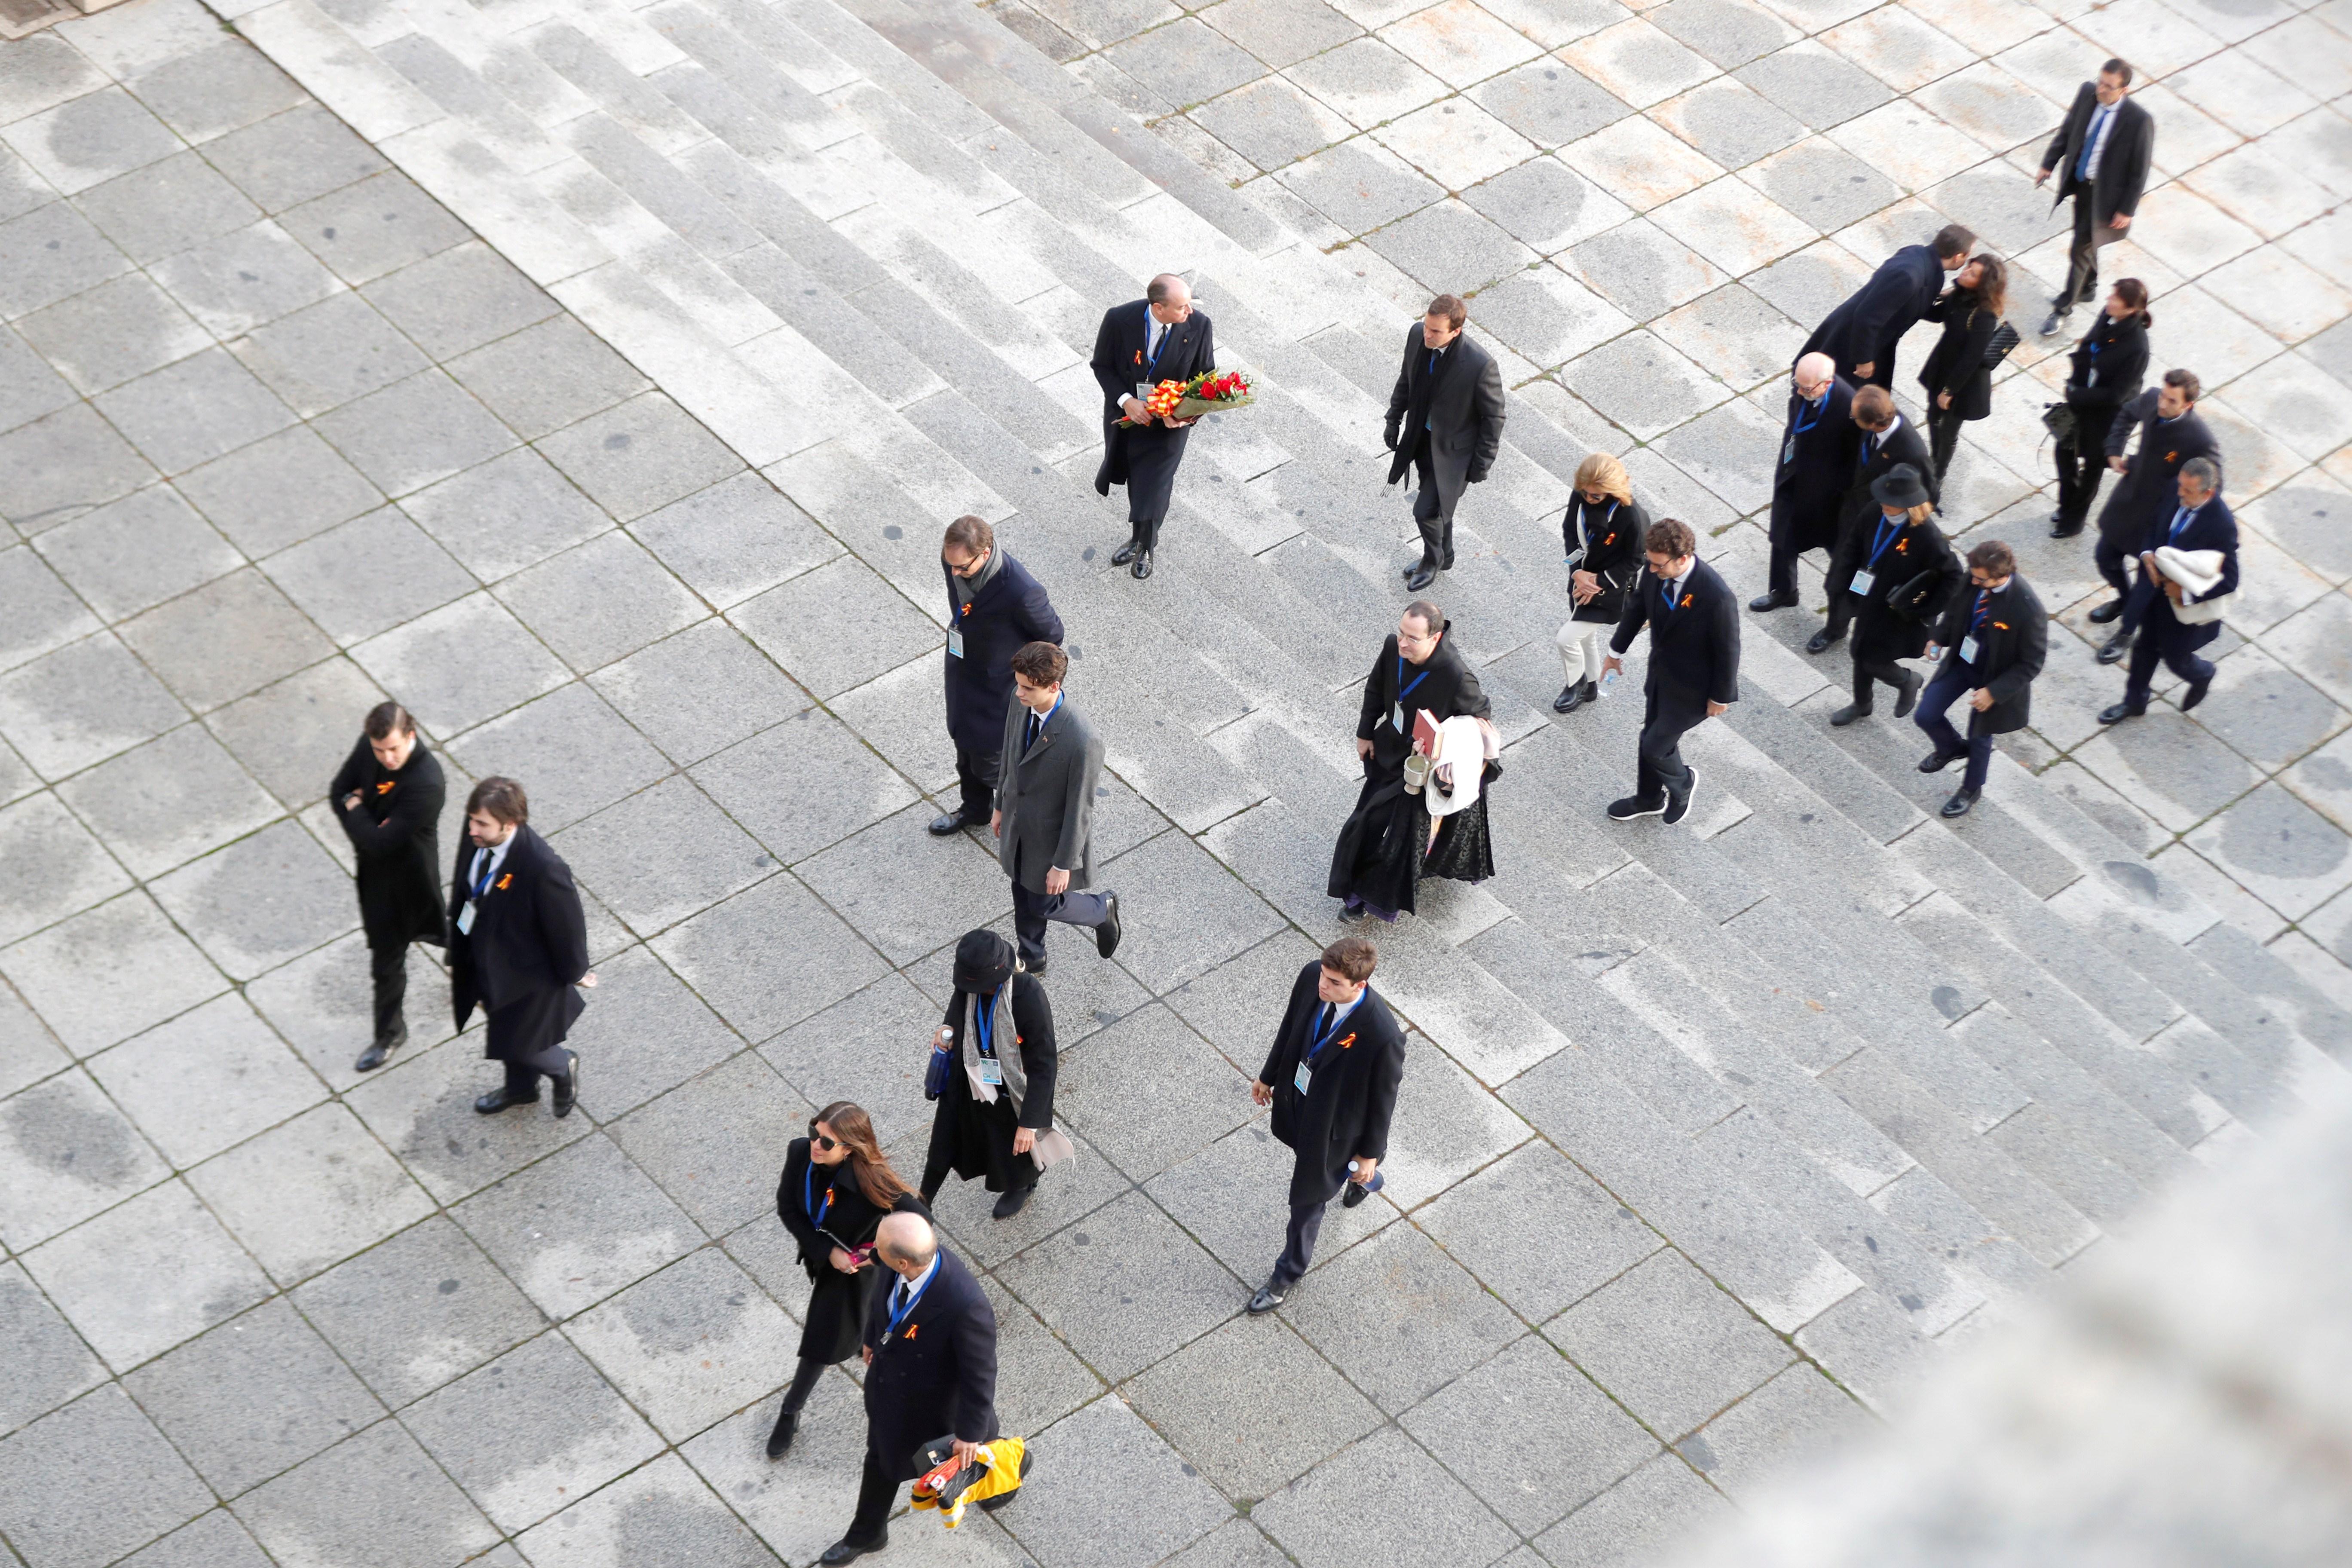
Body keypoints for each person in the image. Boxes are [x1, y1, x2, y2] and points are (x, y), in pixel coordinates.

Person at [817, 1213, 1008, 1565]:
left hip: (936, 1410)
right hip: (893, 1393)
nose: (872, 1252)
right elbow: (882, 1301)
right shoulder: (903, 1262)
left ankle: (1008, 1478)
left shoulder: (965, 1305)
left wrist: (968, 1433)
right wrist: (874, 1340)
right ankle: (869, 1533)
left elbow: (980, 1375)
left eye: (878, 1248)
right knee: (882, 1459)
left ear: (905, 1261)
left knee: (967, 1454)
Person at [1244, 937, 1405, 1314]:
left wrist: (1369, 1153)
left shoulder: (1382, 1034)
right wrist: (1268, 1076)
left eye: (1334, 983)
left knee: (1307, 1201)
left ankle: (1285, 1278)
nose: (1323, 985)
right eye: (1324, 975)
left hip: (1336, 1128)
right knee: (1341, 1175)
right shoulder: (1310, 978)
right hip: (1301, 1105)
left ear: (1359, 985)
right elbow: (1290, 1029)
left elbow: (1384, 1100)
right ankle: (1363, 1177)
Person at [767, 1103, 927, 1459]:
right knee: (859, 1322)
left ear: (849, 1149)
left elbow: (921, 1224)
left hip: (855, 1274)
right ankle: (861, 1340)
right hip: (824, 1257)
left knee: (821, 1341)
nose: (815, 1144)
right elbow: (788, 1209)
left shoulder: (873, 1182)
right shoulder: (800, 1154)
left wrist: (871, 1256)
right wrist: (827, 1251)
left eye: (826, 1142)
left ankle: (790, 1411)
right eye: (814, 1132)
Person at [1328, 600, 1498, 921]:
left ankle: (1363, 899)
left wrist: (1444, 744)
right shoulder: (1395, 648)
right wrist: (1365, 733)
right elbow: (1376, 688)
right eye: (1401, 633)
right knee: (1367, 822)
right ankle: (1358, 888)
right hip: (1388, 752)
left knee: (1398, 838)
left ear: (1435, 638)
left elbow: (1481, 721)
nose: (1403, 643)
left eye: (1413, 638)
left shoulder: (1457, 677)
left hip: (1422, 771)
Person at [446, 777, 594, 1118]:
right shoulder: (480, 835)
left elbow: (568, 928)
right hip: (487, 959)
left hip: (527, 974)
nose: (472, 829)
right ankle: (522, 1089)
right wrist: (456, 950)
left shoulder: (543, 867)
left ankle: (562, 1066)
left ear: (510, 824)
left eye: (481, 823)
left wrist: (576, 972)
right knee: (505, 1030)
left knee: (520, 1042)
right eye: (471, 819)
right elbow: (463, 889)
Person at [328, 701, 446, 1072]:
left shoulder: (427, 782)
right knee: (386, 964)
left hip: (415, 880)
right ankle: (390, 1034)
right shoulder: (370, 747)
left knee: (450, 929)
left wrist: (356, 809)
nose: (387, 757)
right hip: (378, 884)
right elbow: (338, 790)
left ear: (411, 736)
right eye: (380, 750)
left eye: (394, 749)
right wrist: (361, 819)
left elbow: (378, 840)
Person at [922, 929, 1069, 1221]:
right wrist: (946, 1032)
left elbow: (1044, 1065)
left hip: (1011, 1086)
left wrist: (1029, 1123)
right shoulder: (972, 983)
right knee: (944, 1135)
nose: (977, 992)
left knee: (1015, 1145)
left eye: (986, 987)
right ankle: (923, 1200)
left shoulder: (1029, 996)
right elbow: (957, 1011)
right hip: (970, 1073)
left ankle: (1023, 1183)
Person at [1601, 518, 1739, 825]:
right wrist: (1615, 653)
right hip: (1662, 677)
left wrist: (1721, 695)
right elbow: (1637, 609)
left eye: (1659, 565)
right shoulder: (1656, 572)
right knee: (1650, 738)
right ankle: (1648, 798)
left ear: (1683, 560)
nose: (1651, 571)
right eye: (1650, 563)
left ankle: (1684, 782)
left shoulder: (1716, 596)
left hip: (1695, 690)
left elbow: (1729, 649)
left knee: (1655, 745)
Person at [933, 515, 1064, 838]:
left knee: (994, 764)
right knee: (965, 749)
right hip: (963, 675)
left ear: (986, 552)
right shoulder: (955, 559)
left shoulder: (1021, 591)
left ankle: (1025, 822)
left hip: (998, 691)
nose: (954, 573)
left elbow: (1053, 636)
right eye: (952, 565)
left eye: (963, 568)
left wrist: (1021, 676)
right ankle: (975, 810)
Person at [992, 641, 1119, 974]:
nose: (1019, 693)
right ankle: (1032, 955)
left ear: (1054, 687)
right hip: (1020, 824)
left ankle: (1100, 910)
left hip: (1050, 839)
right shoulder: (1020, 701)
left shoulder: (1083, 740)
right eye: (1018, 683)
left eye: (1027, 688)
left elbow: (1081, 809)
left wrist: (1063, 865)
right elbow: (1008, 755)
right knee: (1021, 887)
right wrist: (999, 806)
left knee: (1044, 902)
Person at [2089, 368, 2219, 664]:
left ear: (2188, 405)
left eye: (2172, 401)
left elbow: (2214, 483)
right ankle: (2124, 599)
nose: (2163, 404)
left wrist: (2184, 502)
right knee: (2105, 559)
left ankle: (2126, 632)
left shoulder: (2199, 439)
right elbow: (2125, 416)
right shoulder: (2151, 400)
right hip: (2129, 501)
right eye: (2163, 395)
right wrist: (2114, 450)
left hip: (2162, 522)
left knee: (2148, 585)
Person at [1090, 273, 1216, 579]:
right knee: (1135, 476)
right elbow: (1102, 366)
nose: (1190, 312)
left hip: (1170, 422)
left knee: (1155, 484)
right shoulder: (1120, 319)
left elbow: (1206, 377)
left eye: (1189, 305)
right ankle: (1139, 538)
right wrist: (1126, 401)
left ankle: (1145, 545)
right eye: (1183, 307)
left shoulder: (1199, 326)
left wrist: (1183, 413)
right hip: (1130, 417)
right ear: (1159, 308)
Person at [2099, 458, 2236, 726]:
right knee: (2144, 648)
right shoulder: (2178, 487)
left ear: (2207, 493)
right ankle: (2134, 702)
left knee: (2176, 660)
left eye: (2187, 491)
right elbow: (2155, 524)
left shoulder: (2222, 525)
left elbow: (2230, 580)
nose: (2180, 494)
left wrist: (2184, 593)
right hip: (2152, 591)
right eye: (2181, 487)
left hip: (2182, 607)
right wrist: (2148, 552)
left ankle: (2203, 674)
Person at [1383, 294, 1506, 592]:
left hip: (1454, 456)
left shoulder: (1480, 365)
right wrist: (1394, 418)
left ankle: (1433, 559)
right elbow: (1407, 379)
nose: (1428, 334)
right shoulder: (1417, 336)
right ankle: (1446, 554)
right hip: (1422, 440)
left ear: (1456, 331)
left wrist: (1481, 466)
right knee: (1438, 510)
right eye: (1427, 326)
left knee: (1424, 511)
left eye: (1436, 331)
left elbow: (1495, 418)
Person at [1917, 540, 2047, 818]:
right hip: (1963, 662)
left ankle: (1971, 789)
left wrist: (1994, 693)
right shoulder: (1975, 578)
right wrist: (1939, 638)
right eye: (1973, 575)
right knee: (1926, 714)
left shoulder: (2028, 610)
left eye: (1980, 578)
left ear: (2001, 576)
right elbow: (1956, 610)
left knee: (1980, 737)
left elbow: (2031, 663)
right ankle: (1951, 748)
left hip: (1995, 676)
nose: (1973, 581)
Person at [1830, 465, 1963, 728]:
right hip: (1868, 598)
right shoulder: (1873, 513)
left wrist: (1926, 608)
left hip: (1898, 611)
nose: (1884, 505)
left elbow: (1954, 575)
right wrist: (1839, 584)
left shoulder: (1926, 535)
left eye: (1891, 502)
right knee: (1860, 650)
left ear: (1908, 505)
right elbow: (1853, 546)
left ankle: (1907, 680)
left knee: (1872, 658)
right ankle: (1862, 703)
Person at [1813, 386, 1938, 654]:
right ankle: (1835, 629)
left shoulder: (1911, 451)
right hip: (1854, 517)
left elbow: (1930, 493)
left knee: (1869, 589)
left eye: (1855, 416)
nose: (1852, 419)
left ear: (1872, 422)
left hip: (1883, 527)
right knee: (1837, 581)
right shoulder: (1879, 424)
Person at [2037, 58, 2154, 339]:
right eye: (2101, 81)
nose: (2101, 89)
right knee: (2085, 241)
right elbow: (2069, 131)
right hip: (2080, 183)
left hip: (2108, 197)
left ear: (2124, 90)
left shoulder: (2139, 121)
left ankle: (2063, 310)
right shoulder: (2087, 93)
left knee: (2081, 247)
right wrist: (2049, 163)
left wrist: (2127, 209)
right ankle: (2088, 288)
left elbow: (2140, 170)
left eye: (2109, 87)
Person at [1798, 224, 1974, 389]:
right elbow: (1867, 316)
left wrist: (1960, 296)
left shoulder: (1922, 259)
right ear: (1958, 256)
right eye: (1967, 256)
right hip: (1853, 342)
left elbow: (1919, 309)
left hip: (1876, 341)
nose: (1965, 263)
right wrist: (1863, 359)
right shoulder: (1910, 277)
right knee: (1828, 395)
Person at [1751, 352, 1858, 615]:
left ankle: (1850, 605)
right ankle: (1784, 591)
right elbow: (1796, 413)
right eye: (1796, 384)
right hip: (1795, 475)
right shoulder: (1803, 387)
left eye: (1806, 388)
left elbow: (1854, 458)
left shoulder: (1848, 407)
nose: (1799, 391)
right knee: (1783, 535)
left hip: (1826, 493)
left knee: (1839, 551)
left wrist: (1838, 490)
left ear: (1827, 384)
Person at [2051, 280, 2153, 538]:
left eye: (2116, 298)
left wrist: (2078, 394)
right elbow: (2090, 342)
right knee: (2063, 450)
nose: (2108, 300)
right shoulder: (2108, 314)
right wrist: (2077, 369)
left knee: (2093, 468)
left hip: (2107, 415)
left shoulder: (2138, 347)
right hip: (2081, 399)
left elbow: (2117, 395)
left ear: (2130, 309)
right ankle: (2066, 504)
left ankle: (2074, 519)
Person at [1554, 453, 1648, 713]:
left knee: (1567, 639)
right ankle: (1591, 686)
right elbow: (1571, 533)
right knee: (1586, 638)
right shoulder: (1581, 496)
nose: (1588, 499)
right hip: (1581, 581)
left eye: (1596, 496)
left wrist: (1596, 581)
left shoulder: (1632, 517)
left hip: (1609, 592)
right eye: (1584, 493)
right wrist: (1576, 573)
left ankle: (1577, 684)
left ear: (1613, 491)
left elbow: (1635, 560)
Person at [1917, 253, 2009, 486]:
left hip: (1963, 382)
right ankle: (1933, 461)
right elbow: (1938, 315)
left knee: (1948, 430)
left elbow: (1972, 358)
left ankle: (1937, 474)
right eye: (1969, 267)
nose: (1965, 272)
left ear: (1983, 284)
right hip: (1942, 366)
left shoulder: (1984, 316)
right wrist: (1921, 298)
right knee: (1932, 417)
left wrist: (1949, 391)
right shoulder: (1959, 294)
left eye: (1973, 273)